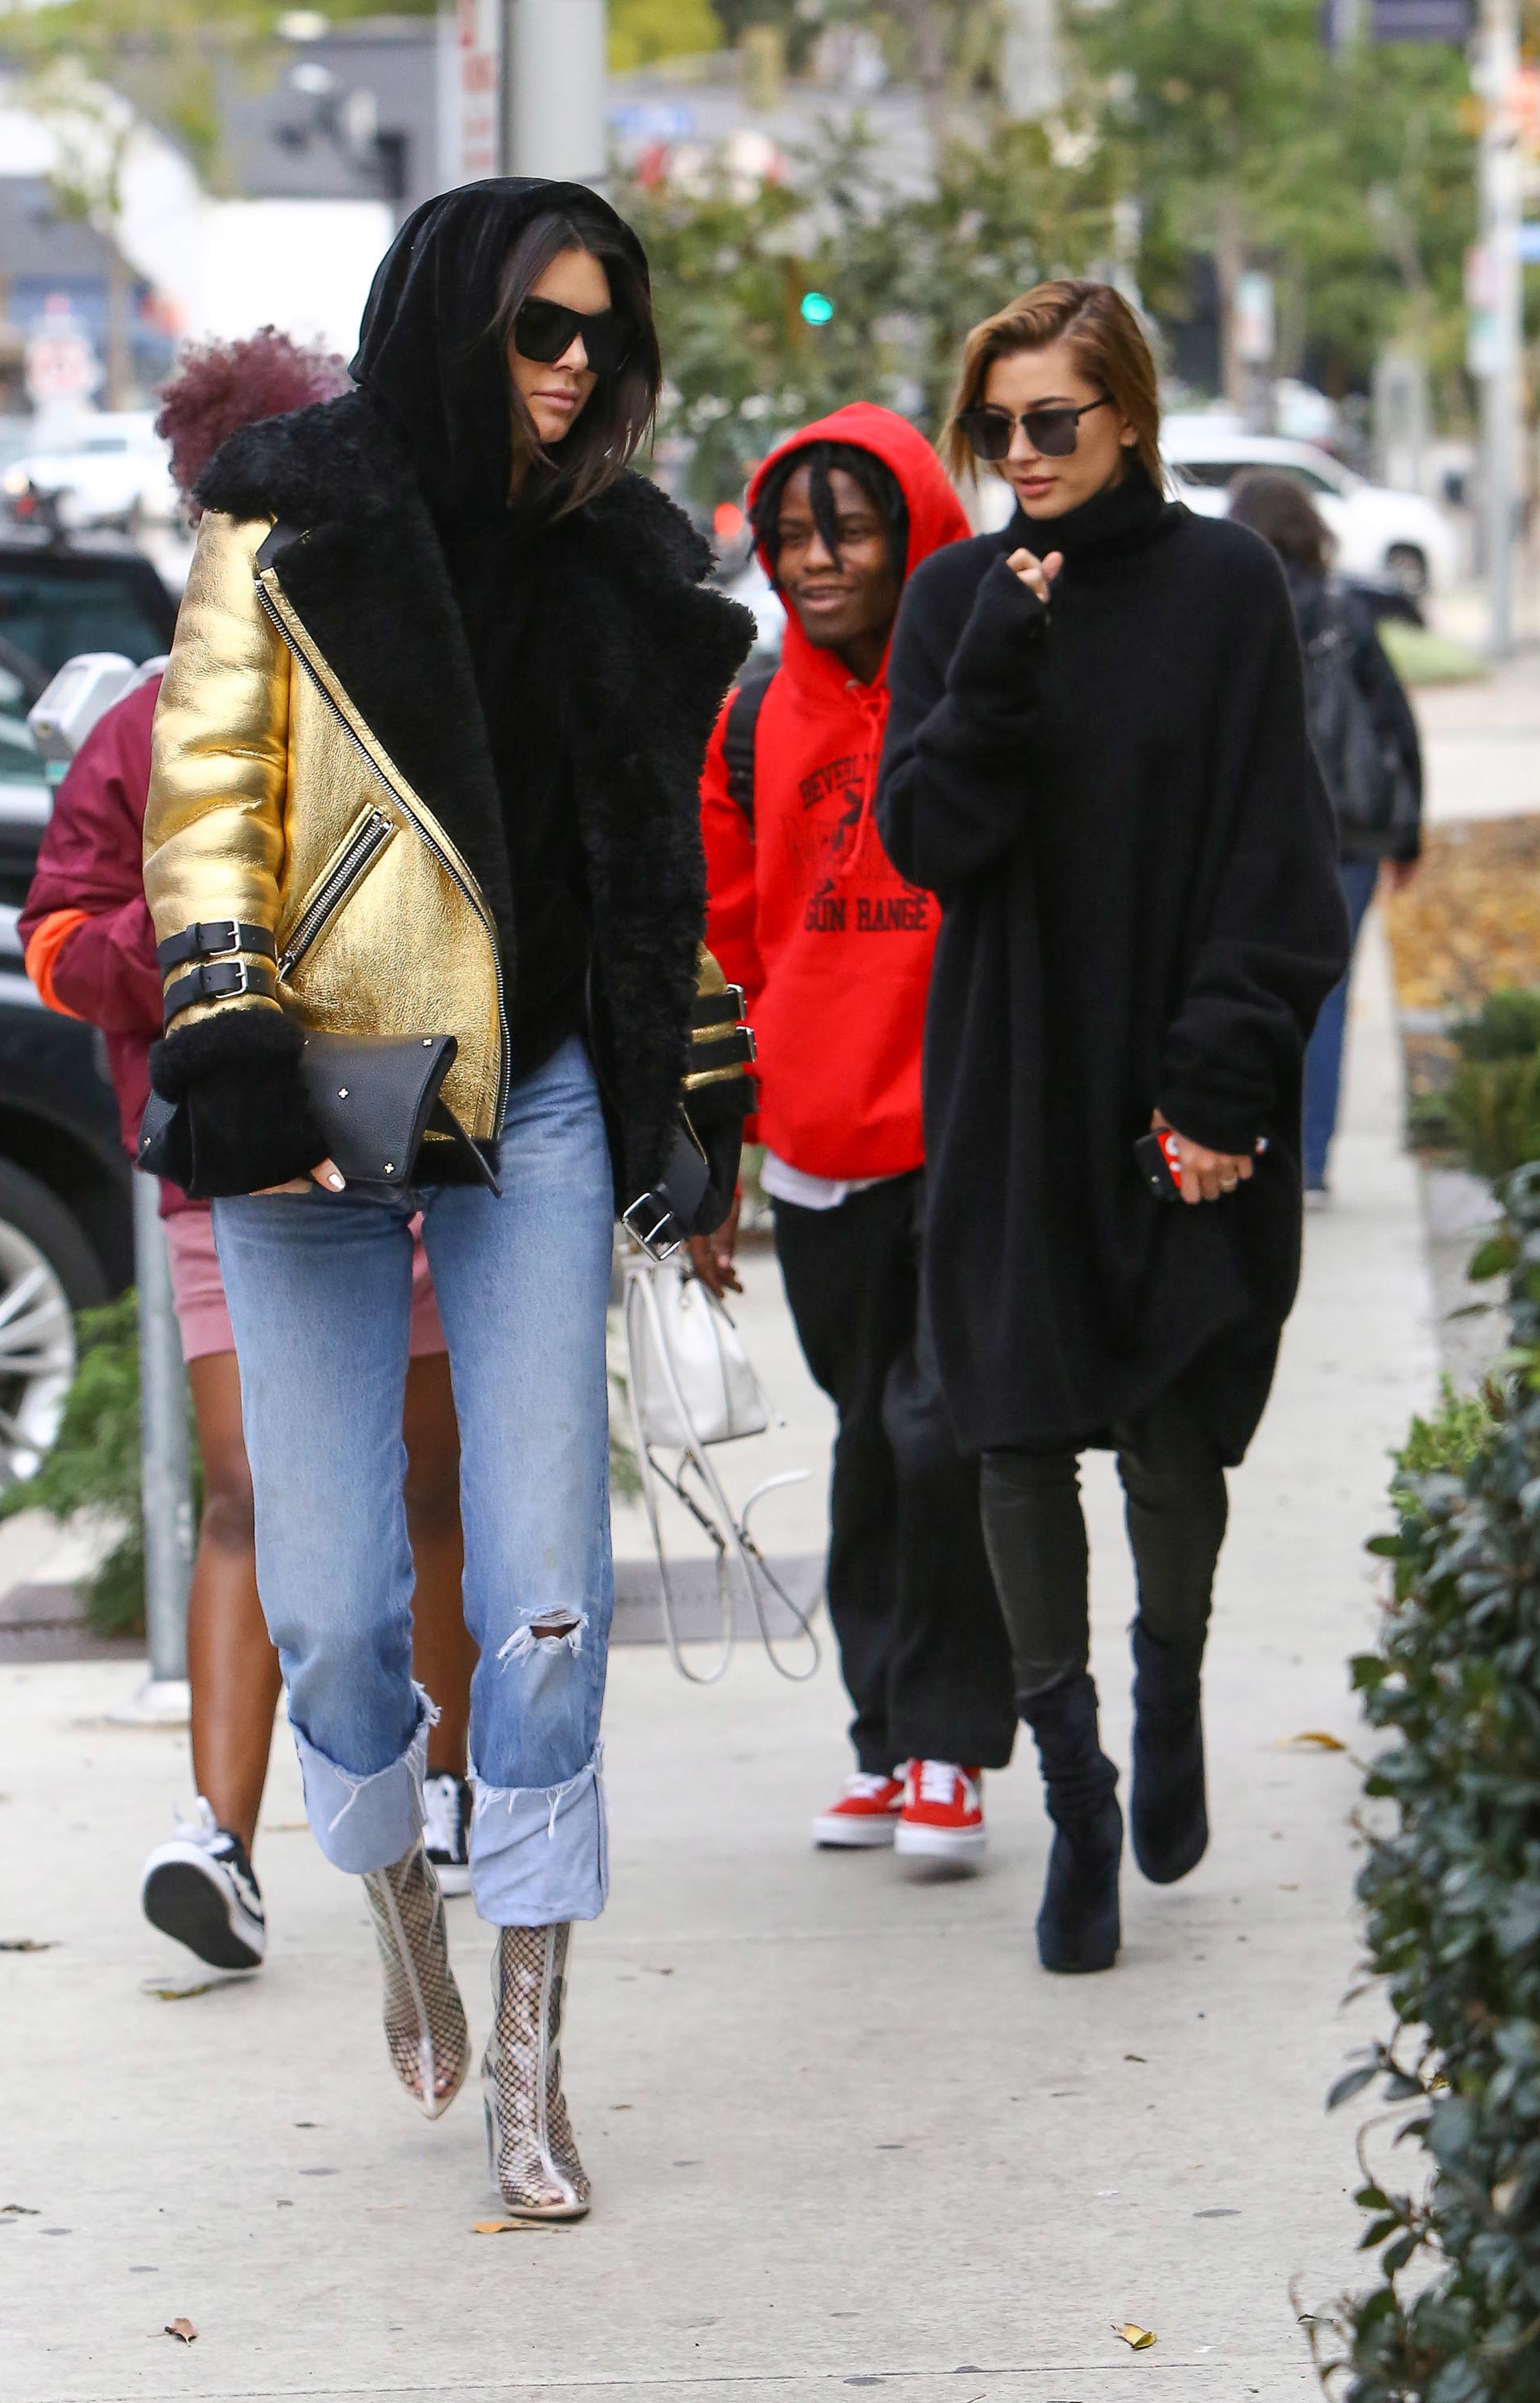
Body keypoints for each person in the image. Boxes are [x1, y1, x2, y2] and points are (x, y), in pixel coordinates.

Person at [140, 180, 752, 2216]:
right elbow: (208, 791)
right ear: (445, 315)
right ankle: (394, 1876)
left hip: (550, 1089)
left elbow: (666, 858)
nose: (571, 365)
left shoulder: (627, 564)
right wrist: (229, 1050)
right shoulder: (286, 511)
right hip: (315, 1091)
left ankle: (534, 2063)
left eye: (597, 331)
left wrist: (695, 1089)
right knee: (327, 1608)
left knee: (545, 1589)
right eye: (532, 327)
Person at [876, 280, 1349, 1977]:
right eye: (994, 427)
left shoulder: (1223, 586)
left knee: (1164, 1418)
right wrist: (995, 661)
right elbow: (929, 837)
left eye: (1051, 422)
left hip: (1174, 1073)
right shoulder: (955, 599)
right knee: (1010, 1425)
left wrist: (1223, 1088)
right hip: (1010, 1075)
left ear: (1127, 414)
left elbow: (1273, 855)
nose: (1020, 454)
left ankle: (1168, 1683)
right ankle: (1073, 1790)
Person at [18, 330, 478, 1971]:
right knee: (245, 1491)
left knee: (425, 1489)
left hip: (404, 1144)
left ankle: (444, 1786)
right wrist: (201, 953)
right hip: (229, 1171)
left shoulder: (412, 688)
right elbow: (60, 936)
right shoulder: (145, 726)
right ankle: (219, 1840)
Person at [692, 404, 1016, 1866]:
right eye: (793, 535)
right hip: (820, 1146)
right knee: (869, 1445)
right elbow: (721, 954)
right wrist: (715, 1150)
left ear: (918, 533)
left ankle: (955, 1745)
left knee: (935, 1430)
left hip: (967, 1130)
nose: (817, 561)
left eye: (852, 529)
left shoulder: (984, 687)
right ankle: (886, 1742)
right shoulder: (753, 717)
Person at [1224, 469, 1423, 1203]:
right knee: (1330, 996)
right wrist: (1406, 839)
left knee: (1249, 985)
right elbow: (1396, 728)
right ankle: (1308, 1162)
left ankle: (1253, 1137)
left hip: (1258, 837)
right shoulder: (1346, 611)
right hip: (1350, 836)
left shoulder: (1232, 613)